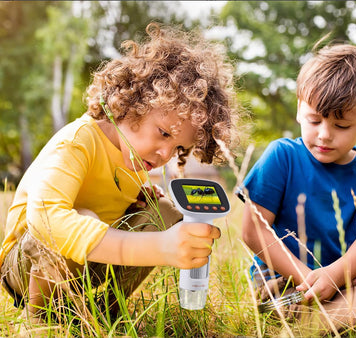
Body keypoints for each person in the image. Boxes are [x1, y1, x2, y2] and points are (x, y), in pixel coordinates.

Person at [0, 22, 240, 323]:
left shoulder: (133, 157)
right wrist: (158, 247)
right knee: (82, 215)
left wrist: (136, 202)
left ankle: (104, 311)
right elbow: (46, 218)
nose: (166, 154)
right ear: (129, 105)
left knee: (162, 211)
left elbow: (108, 195)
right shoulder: (78, 141)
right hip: (27, 265)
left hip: (85, 267)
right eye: (164, 133)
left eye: (179, 147)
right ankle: (41, 319)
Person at [239, 43, 356, 335]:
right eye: (315, 120)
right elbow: (253, 230)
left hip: (347, 281)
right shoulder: (282, 157)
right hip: (289, 288)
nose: (324, 135)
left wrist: (337, 275)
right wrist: (314, 279)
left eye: (341, 125)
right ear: (301, 109)